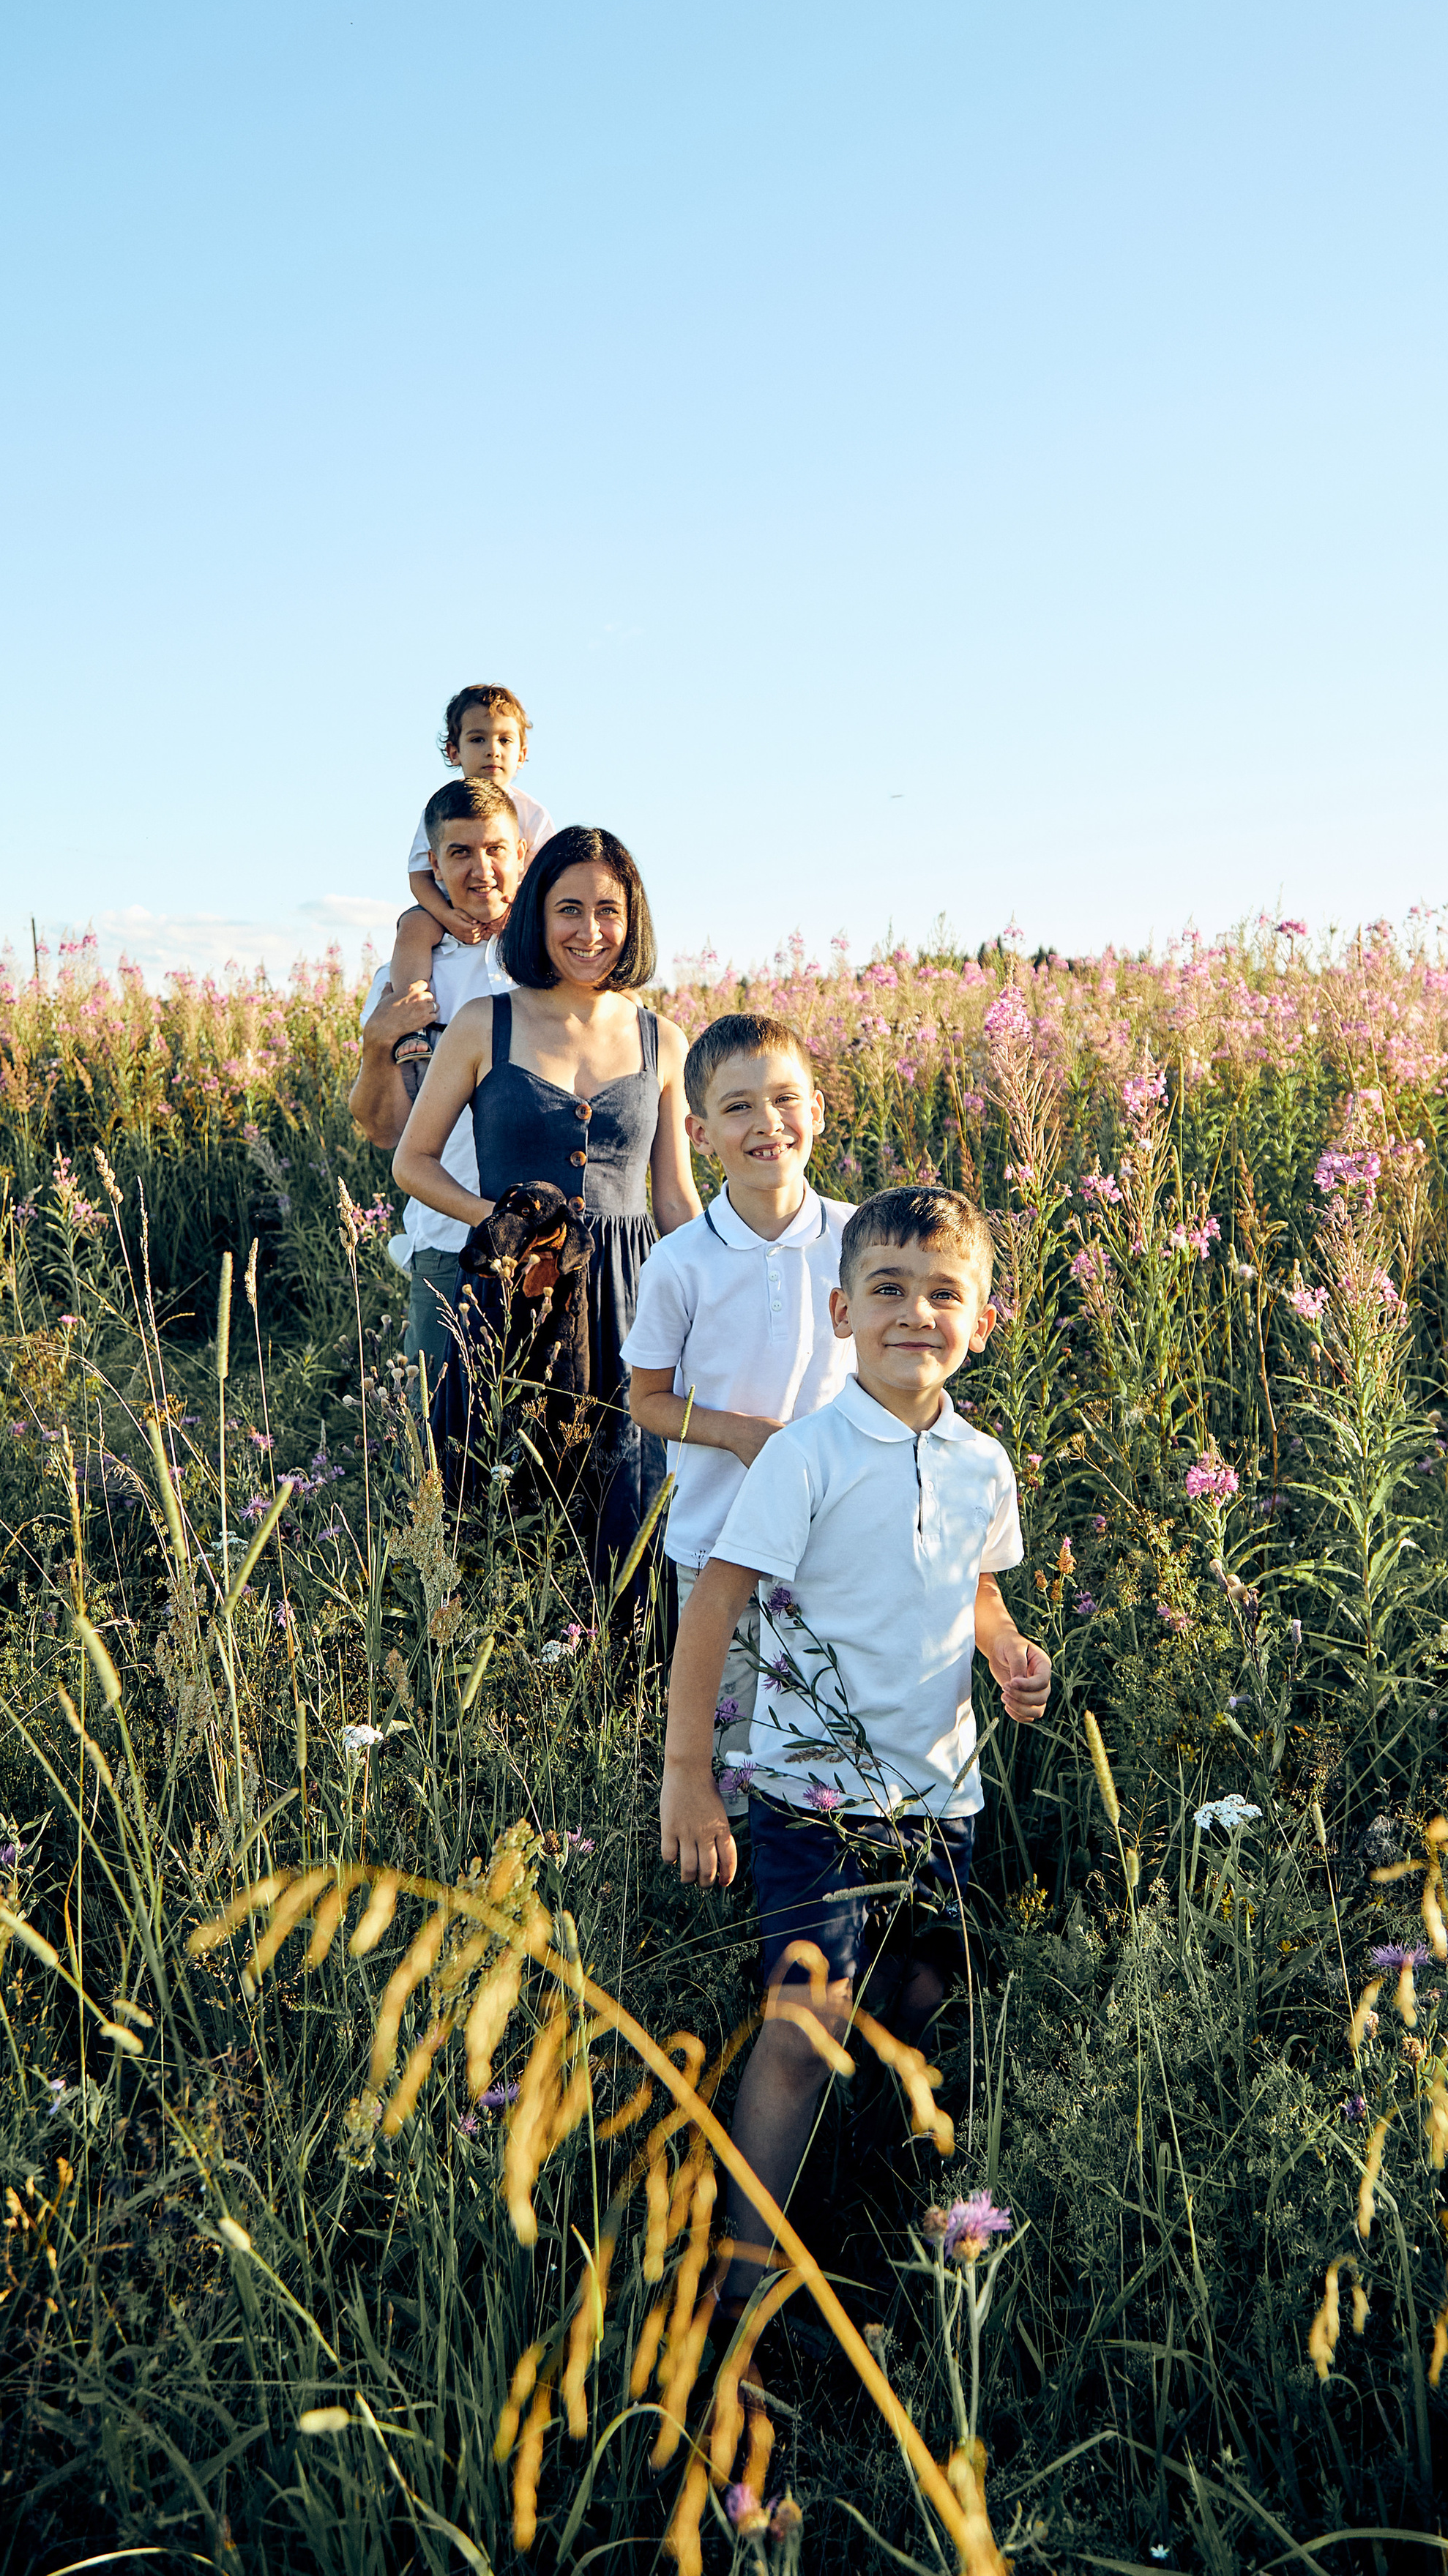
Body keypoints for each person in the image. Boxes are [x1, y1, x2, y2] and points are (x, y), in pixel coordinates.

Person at [658, 1184, 1052, 2315]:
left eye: (944, 1294)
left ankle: (869, 2207)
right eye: (887, 1290)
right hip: (809, 1797)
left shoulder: (983, 1462)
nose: (915, 1313)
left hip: (941, 1794)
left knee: (921, 1995)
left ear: (983, 1320)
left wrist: (1012, 1655)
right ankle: (742, 2276)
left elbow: (971, 1587)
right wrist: (692, 1775)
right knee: (804, 2022)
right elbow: (716, 1604)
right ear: (841, 1313)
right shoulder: (808, 1455)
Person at [392, 824, 700, 1582]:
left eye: (608, 910)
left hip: (633, 1303)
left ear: (632, 921)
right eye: (568, 908)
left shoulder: (663, 1038)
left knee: (629, 1509)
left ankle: (618, 1688)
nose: (589, 931)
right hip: (509, 1294)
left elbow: (674, 1197)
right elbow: (413, 1162)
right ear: (537, 914)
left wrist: (714, 1295)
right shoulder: (483, 1022)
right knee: (499, 1500)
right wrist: (504, 1225)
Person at [622, 1012, 854, 1821]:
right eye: (738, 1108)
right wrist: (737, 1433)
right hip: (718, 1545)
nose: (767, 1124)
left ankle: (820, 1900)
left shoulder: (860, 1240)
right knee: (728, 1751)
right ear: (697, 1131)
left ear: (817, 1110)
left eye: (786, 1099)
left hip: (838, 1541)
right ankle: (729, 1918)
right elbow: (644, 1399)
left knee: (832, 1742)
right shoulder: (681, 1262)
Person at [347, 777, 524, 1392]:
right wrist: (378, 1044)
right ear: (435, 865)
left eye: (496, 849)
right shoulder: (406, 977)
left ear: (522, 854)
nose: (481, 869)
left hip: (551, 1241)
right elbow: (383, 1130)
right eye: (460, 853)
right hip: (449, 1243)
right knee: (433, 1445)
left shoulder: (553, 961)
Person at [389, 687, 553, 1075]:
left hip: (515, 909)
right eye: (477, 739)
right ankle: (411, 1023)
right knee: (412, 924)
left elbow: (547, 876)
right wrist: (445, 916)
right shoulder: (442, 808)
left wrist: (515, 912)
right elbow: (419, 875)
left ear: (522, 753)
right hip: (451, 906)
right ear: (454, 752)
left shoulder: (532, 812)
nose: (492, 750)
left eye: (504, 740)